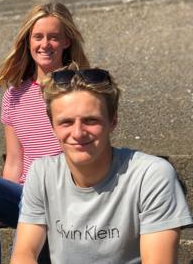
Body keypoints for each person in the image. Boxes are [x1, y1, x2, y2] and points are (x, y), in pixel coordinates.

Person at [10, 64, 193, 263]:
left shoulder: (151, 176)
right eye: (66, 122)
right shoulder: (42, 173)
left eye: (90, 120)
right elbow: (24, 253)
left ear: (112, 121)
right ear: (52, 125)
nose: (78, 133)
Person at [0, 2, 89, 264]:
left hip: (63, 195)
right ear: (28, 42)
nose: (45, 44)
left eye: (54, 37)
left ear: (66, 41)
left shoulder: (79, 90)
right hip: (24, 199)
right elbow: (14, 160)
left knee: (34, 197)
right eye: (38, 37)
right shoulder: (13, 96)